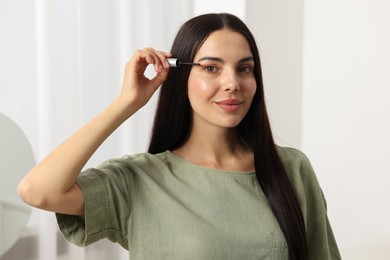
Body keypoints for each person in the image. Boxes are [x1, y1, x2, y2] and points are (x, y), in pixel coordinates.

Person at [18, 13, 341, 260]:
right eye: (211, 68)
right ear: (180, 74)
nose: (232, 83)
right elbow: (38, 190)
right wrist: (127, 103)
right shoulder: (140, 179)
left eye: (244, 68)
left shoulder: (292, 167)